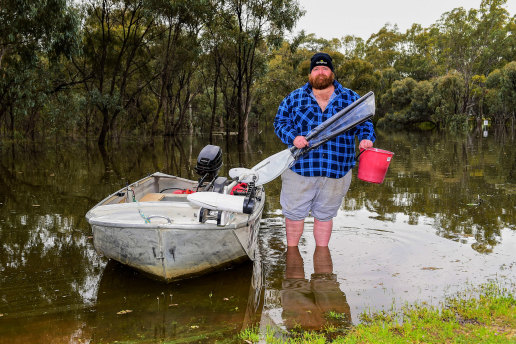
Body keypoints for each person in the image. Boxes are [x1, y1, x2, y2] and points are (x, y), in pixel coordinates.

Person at [274, 52, 375, 247]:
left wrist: (365, 139)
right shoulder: (294, 98)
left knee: (325, 216)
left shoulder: (350, 98)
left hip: (336, 169)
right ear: (310, 74)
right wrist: (293, 138)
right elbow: (280, 122)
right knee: (294, 216)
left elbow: (365, 123)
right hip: (299, 168)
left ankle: (323, 271)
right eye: (316, 69)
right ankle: (293, 263)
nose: (321, 72)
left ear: (332, 72)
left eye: (325, 68)